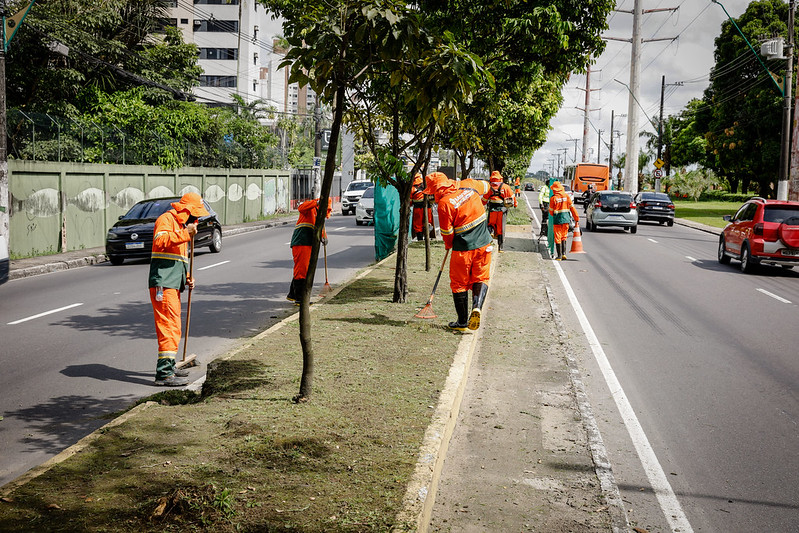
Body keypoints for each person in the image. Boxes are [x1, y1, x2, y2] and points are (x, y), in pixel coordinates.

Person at [149, 192, 210, 387]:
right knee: (169, 328)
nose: (198, 219)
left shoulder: (183, 227)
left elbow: (178, 261)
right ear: (187, 211)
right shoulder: (166, 220)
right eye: (196, 214)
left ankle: (169, 365)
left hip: (173, 284)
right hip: (163, 284)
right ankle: (164, 374)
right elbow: (160, 242)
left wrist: (188, 279)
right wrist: (186, 233)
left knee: (174, 327)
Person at [422, 172, 492, 331]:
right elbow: (487, 186)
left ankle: (462, 322)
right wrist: (482, 201)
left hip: (463, 250)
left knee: (459, 283)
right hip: (484, 245)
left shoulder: (444, 204)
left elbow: (446, 232)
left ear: (435, 190)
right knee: (481, 277)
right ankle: (477, 307)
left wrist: (448, 245)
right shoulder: (469, 184)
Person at [287, 197, 332, 303]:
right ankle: (300, 299)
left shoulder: (319, 215)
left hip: (309, 243)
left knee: (304, 269)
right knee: (302, 270)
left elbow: (320, 229)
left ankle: (293, 295)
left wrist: (324, 237)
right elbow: (301, 208)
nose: (327, 213)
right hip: (301, 241)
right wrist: (316, 202)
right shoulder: (310, 206)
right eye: (327, 210)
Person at [483, 170, 515, 252]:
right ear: (500, 178)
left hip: (492, 209)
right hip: (502, 210)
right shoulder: (505, 187)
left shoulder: (489, 187)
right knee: (501, 228)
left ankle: (489, 239)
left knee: (490, 224)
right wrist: (515, 204)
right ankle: (501, 248)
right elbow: (512, 198)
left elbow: (484, 200)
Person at [548, 181, 580, 261]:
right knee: (564, 236)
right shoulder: (566, 196)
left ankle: (559, 256)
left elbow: (551, 211)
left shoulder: (553, 198)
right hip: (566, 219)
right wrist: (577, 219)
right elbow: (572, 208)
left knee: (558, 237)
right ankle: (564, 254)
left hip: (557, 219)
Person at [411, 173, 435, 241]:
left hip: (417, 209)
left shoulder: (412, 187)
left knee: (418, 225)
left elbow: (409, 200)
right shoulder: (426, 184)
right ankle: (427, 237)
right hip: (428, 207)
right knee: (428, 222)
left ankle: (420, 239)